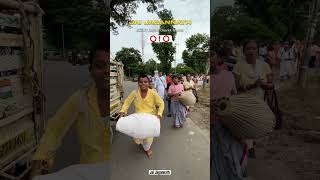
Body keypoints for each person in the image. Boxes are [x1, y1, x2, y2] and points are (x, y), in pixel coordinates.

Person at [30, 45, 111, 177]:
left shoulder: (128, 101)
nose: (107, 71)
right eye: (100, 66)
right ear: (91, 70)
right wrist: (38, 165)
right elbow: (54, 130)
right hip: (88, 173)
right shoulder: (81, 99)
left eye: (112, 66)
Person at [233, 39, 274, 158]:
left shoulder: (264, 65)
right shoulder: (239, 66)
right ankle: (248, 149)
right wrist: (252, 85)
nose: (251, 51)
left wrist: (264, 85)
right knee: (245, 127)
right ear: (244, 51)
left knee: (255, 127)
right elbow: (235, 87)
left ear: (258, 50)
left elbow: (271, 85)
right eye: (248, 49)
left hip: (259, 103)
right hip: (244, 103)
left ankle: (251, 145)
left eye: (254, 48)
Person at [211, 49, 245, 180]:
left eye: (211, 55)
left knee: (230, 155)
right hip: (212, 125)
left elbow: (235, 97)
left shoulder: (228, 76)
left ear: (218, 57)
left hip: (228, 124)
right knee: (216, 156)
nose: (209, 59)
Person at [118, 75, 164, 158]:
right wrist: (122, 111)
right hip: (137, 119)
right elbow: (127, 102)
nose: (143, 84)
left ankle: (147, 149)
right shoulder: (134, 93)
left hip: (150, 120)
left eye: (145, 82)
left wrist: (159, 114)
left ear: (148, 83)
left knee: (148, 138)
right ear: (138, 83)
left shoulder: (153, 93)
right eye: (141, 82)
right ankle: (141, 142)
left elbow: (161, 104)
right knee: (137, 136)